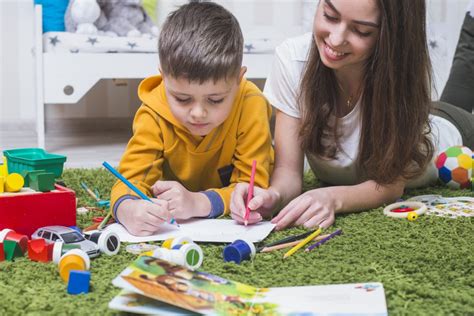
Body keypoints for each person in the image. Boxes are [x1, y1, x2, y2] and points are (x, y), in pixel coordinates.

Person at [231, 0, 474, 230]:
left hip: (452, 131)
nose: (335, 40)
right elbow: (288, 173)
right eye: (329, 15)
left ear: (387, 36)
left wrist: (332, 198)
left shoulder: (398, 77)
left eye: (361, 31)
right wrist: (272, 196)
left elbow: (390, 186)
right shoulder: (293, 61)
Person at [110, 1, 274, 236]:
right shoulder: (153, 113)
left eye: (215, 100)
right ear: (164, 79)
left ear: (238, 80)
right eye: (182, 99)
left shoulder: (251, 104)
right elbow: (127, 182)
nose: (198, 113)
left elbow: (251, 191)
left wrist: (198, 203)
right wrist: (128, 209)